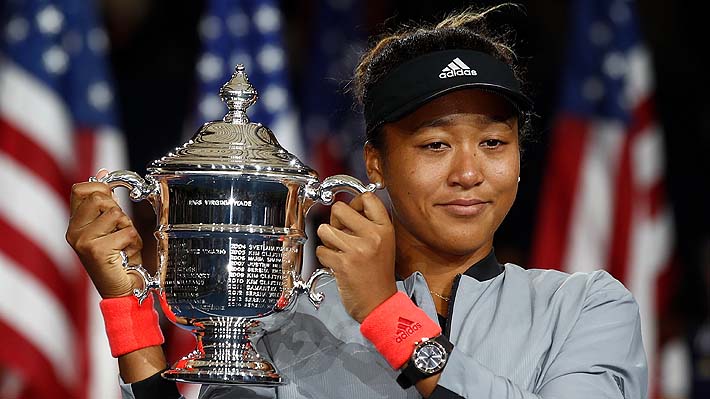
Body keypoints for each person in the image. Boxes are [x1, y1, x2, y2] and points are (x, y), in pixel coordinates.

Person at [66, 5, 648, 399]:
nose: (470, 172)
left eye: (494, 143)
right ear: (375, 163)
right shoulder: (288, 327)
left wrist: (386, 316)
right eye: (436, 144)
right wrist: (128, 307)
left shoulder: (586, 308)